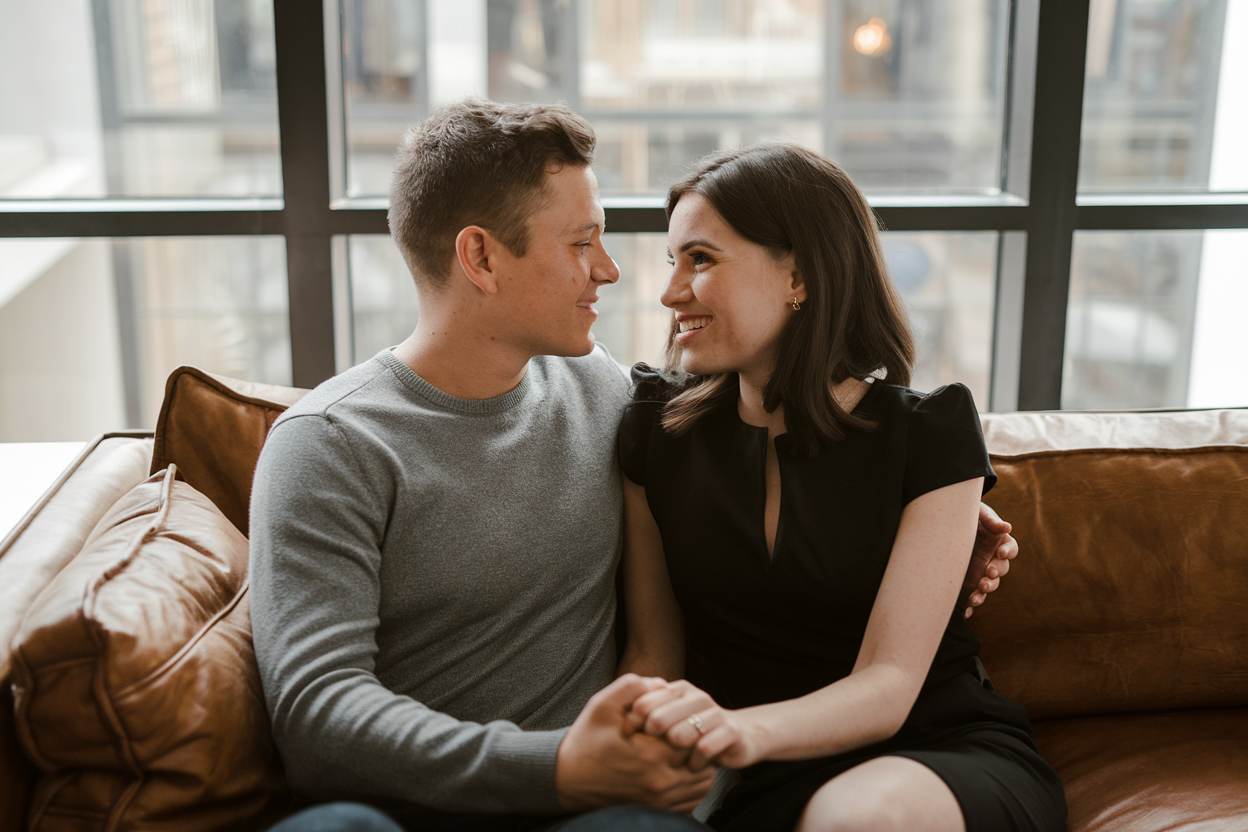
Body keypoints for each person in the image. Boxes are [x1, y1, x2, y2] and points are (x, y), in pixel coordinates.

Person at [248, 100, 1018, 832]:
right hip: (417, 803)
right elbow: (318, 714)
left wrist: (932, 517)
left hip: (603, 808)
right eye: (582, 243)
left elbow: (809, 454)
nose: (615, 273)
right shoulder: (329, 443)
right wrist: (558, 765)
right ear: (480, 256)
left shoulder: (603, 395)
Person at [614, 143, 1066, 832]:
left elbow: (888, 686)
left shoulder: (931, 434)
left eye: (700, 259)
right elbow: (654, 656)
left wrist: (736, 731)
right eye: (671, 260)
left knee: (858, 818)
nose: (671, 290)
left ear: (799, 275)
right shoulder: (654, 430)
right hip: (755, 766)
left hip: (932, 752)